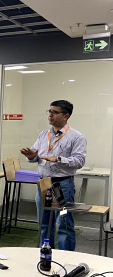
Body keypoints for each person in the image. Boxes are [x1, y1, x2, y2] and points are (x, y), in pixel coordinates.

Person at [20, 100, 86, 251]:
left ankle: (66, 257)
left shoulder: (76, 137)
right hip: (44, 185)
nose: (50, 115)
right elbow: (36, 155)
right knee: (44, 222)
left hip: (61, 185)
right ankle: (45, 255)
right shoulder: (44, 134)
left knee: (63, 222)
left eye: (55, 112)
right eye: (49, 111)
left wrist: (59, 159)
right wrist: (31, 156)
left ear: (66, 116)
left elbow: (80, 161)